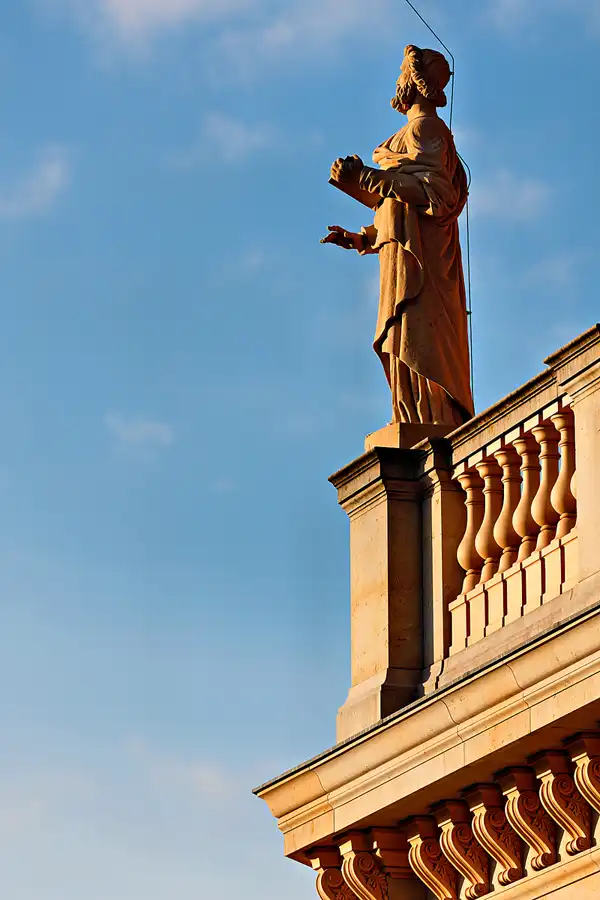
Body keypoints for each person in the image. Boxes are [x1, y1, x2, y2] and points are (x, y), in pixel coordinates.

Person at [322, 44, 474, 427]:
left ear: (415, 82)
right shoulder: (415, 132)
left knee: (417, 341)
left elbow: (433, 195)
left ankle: (428, 416)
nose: (396, 83)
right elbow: (399, 207)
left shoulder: (425, 129)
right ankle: (414, 416)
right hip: (404, 259)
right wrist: (364, 237)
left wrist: (366, 178)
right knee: (404, 341)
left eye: (401, 76)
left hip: (423, 272)